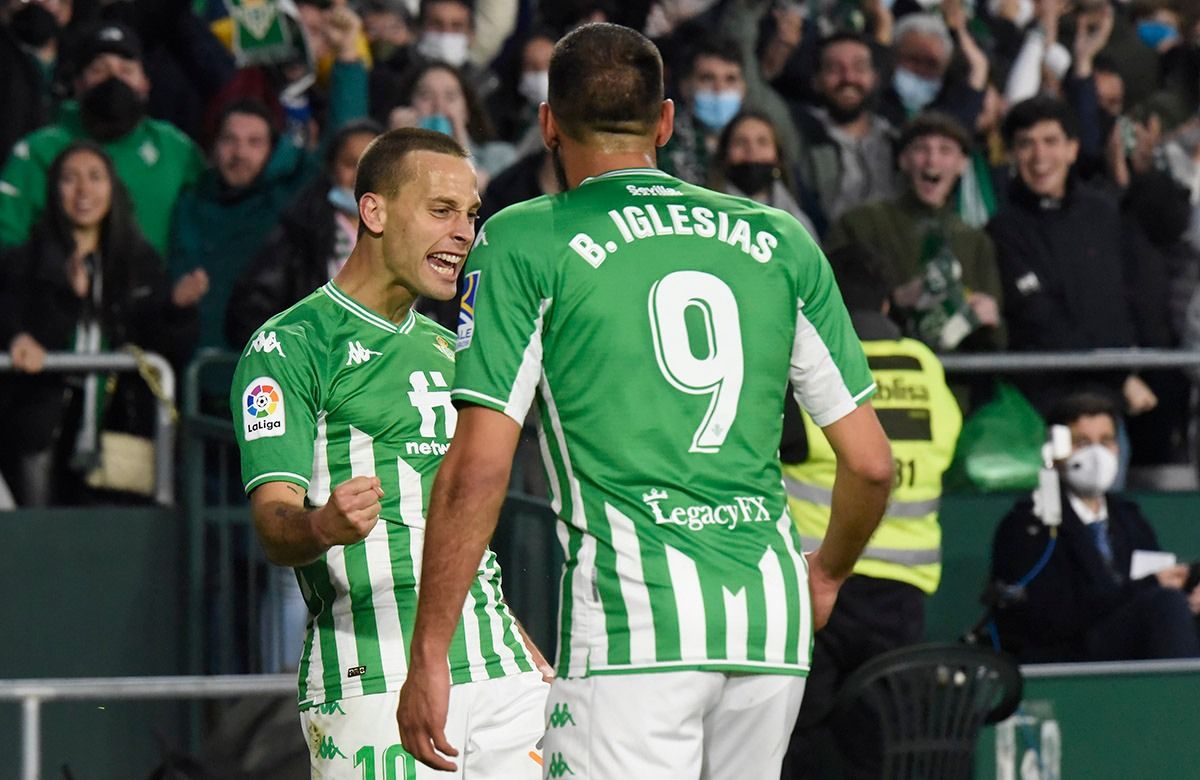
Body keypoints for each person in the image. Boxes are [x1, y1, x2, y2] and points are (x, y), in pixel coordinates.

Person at [396, 23, 894, 779]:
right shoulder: (779, 239)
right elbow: (872, 466)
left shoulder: (525, 240)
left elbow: (477, 468)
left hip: (636, 624)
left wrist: (429, 652)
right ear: (665, 121)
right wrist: (823, 574)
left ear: (547, 123)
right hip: (769, 622)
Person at [228, 127, 548, 778]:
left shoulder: (452, 350)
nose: (463, 232)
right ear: (373, 212)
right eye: (441, 210)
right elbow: (273, 525)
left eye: (470, 215)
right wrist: (322, 525)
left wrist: (517, 634)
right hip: (372, 671)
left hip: (498, 663)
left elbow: (457, 520)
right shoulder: (291, 345)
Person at [780, 244, 963, 779]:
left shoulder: (805, 357)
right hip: (903, 592)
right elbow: (947, 445)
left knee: (803, 740)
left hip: (821, 577)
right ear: (886, 305)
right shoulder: (924, 364)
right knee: (883, 745)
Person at [0, 141, 205, 506]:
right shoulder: (24, 263)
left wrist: (177, 310)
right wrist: (68, 299)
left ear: (113, 187)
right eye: (69, 179)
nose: (83, 191)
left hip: (119, 433)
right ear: (52, 191)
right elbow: (19, 331)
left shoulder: (140, 262)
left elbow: (160, 347)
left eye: (95, 178)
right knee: (38, 546)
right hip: (40, 433)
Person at [989, 392, 1200, 662]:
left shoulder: (1128, 518)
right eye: (1083, 443)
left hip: (1131, 643)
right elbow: (1051, 619)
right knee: (1166, 606)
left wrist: (1188, 581)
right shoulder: (1029, 525)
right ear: (1056, 449)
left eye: (1106, 441)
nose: (1097, 454)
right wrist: (1149, 586)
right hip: (1071, 652)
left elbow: (1151, 580)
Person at [0, 21, 205, 254]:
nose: (113, 79)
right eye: (99, 70)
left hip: (154, 287)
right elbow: (6, 236)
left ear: (145, 85)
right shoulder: (39, 151)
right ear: (78, 85)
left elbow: (210, 221)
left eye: (126, 70)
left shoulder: (175, 149)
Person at [825, 111, 1005, 354]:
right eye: (921, 149)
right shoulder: (861, 223)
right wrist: (895, 300)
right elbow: (828, 305)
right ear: (903, 159)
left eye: (945, 150)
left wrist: (989, 320)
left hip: (959, 384)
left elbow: (999, 339)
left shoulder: (976, 241)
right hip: (883, 374)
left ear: (963, 164)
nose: (932, 160)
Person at [224, 119, 383, 350]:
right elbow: (249, 314)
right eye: (350, 164)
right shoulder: (298, 237)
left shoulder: (414, 235)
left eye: (371, 167)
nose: (360, 178)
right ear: (331, 169)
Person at [791, 32, 899, 235]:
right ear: (816, 80)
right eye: (834, 69)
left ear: (875, 77)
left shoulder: (898, 141)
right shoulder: (799, 133)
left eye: (859, 67)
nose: (848, 77)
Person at [708, 109, 817, 237]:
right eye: (740, 142)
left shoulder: (799, 226)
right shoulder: (705, 213)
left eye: (762, 142)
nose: (752, 150)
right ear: (725, 155)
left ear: (778, 157)